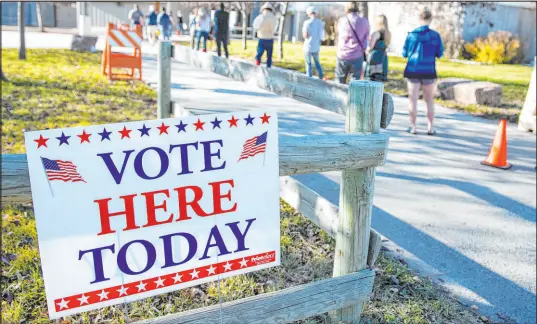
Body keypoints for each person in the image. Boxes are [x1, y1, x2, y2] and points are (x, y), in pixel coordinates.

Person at [402, 8, 444, 135]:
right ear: (430, 19)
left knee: (413, 100)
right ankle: (430, 128)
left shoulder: (412, 35)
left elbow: (404, 53)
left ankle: (413, 127)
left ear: (419, 19)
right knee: (429, 100)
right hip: (429, 71)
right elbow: (440, 53)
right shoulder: (435, 36)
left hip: (413, 70)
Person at [336, 2, 369, 84]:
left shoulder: (342, 21)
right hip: (357, 55)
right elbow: (366, 39)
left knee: (339, 82)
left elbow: (339, 36)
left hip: (343, 54)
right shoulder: (364, 21)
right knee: (355, 83)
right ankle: (352, 97)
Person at [364, 15, 391, 82]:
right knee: (379, 81)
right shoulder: (388, 34)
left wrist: (366, 52)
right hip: (383, 57)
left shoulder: (376, 33)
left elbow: (370, 47)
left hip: (375, 57)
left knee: (371, 79)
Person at [302, 6, 326, 80]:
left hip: (308, 47)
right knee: (317, 63)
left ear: (309, 13)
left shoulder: (307, 23)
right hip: (316, 46)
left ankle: (309, 79)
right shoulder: (320, 23)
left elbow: (305, 35)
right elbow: (323, 37)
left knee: (308, 64)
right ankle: (321, 77)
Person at [253, 2, 278, 67]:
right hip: (270, 38)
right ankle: (268, 67)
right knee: (269, 56)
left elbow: (255, 26)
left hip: (262, 38)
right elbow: (275, 28)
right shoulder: (274, 18)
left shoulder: (261, 17)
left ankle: (257, 65)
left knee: (259, 53)